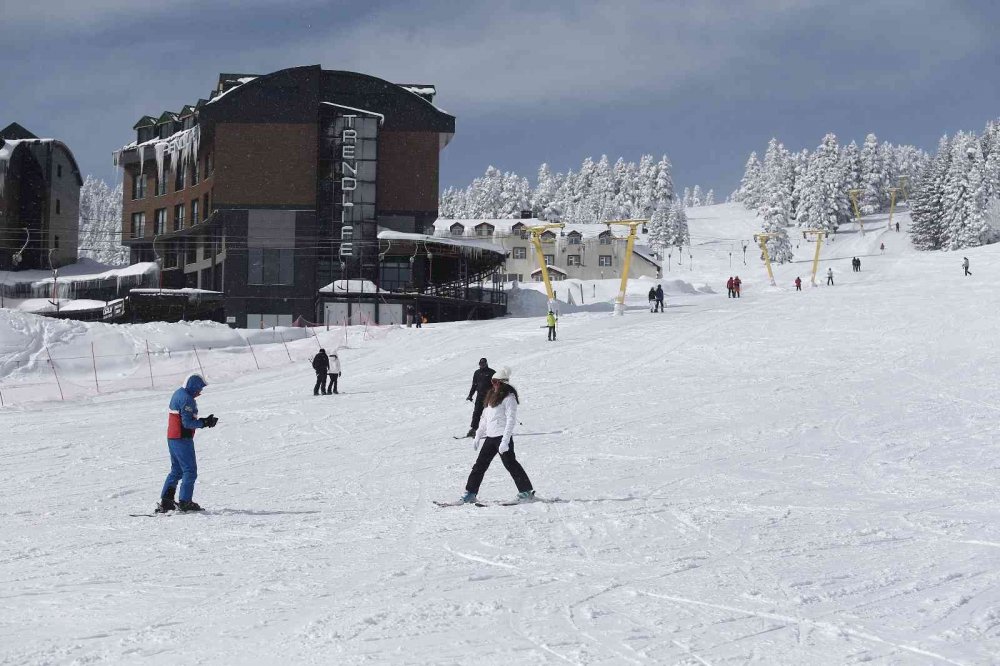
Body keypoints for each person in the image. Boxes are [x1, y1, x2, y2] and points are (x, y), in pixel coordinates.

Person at [460, 367, 535, 504]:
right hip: (490, 437)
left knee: (511, 464)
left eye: (495, 381)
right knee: (479, 466)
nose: (493, 384)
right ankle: (470, 493)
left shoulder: (509, 398)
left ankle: (526, 492)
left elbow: (511, 420)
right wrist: (477, 436)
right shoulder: (490, 397)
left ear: (502, 383)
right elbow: (484, 419)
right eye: (492, 381)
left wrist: (505, 441)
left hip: (502, 437)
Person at [157, 373, 217, 513]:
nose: (199, 392)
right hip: (181, 438)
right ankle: (185, 502)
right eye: (199, 388)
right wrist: (205, 422)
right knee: (190, 471)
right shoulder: (187, 399)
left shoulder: (179, 393)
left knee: (176, 470)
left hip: (172, 437)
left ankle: (166, 501)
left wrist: (203, 421)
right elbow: (187, 423)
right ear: (193, 386)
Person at [466, 358, 495, 437]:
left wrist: (495, 395)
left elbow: (496, 385)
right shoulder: (477, 373)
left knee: (490, 413)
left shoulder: (492, 372)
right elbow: (474, 385)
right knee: (476, 412)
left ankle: (491, 429)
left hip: (489, 396)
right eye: (480, 364)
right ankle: (473, 429)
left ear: (486, 363)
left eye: (483, 364)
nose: (482, 365)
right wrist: (470, 395)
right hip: (480, 396)